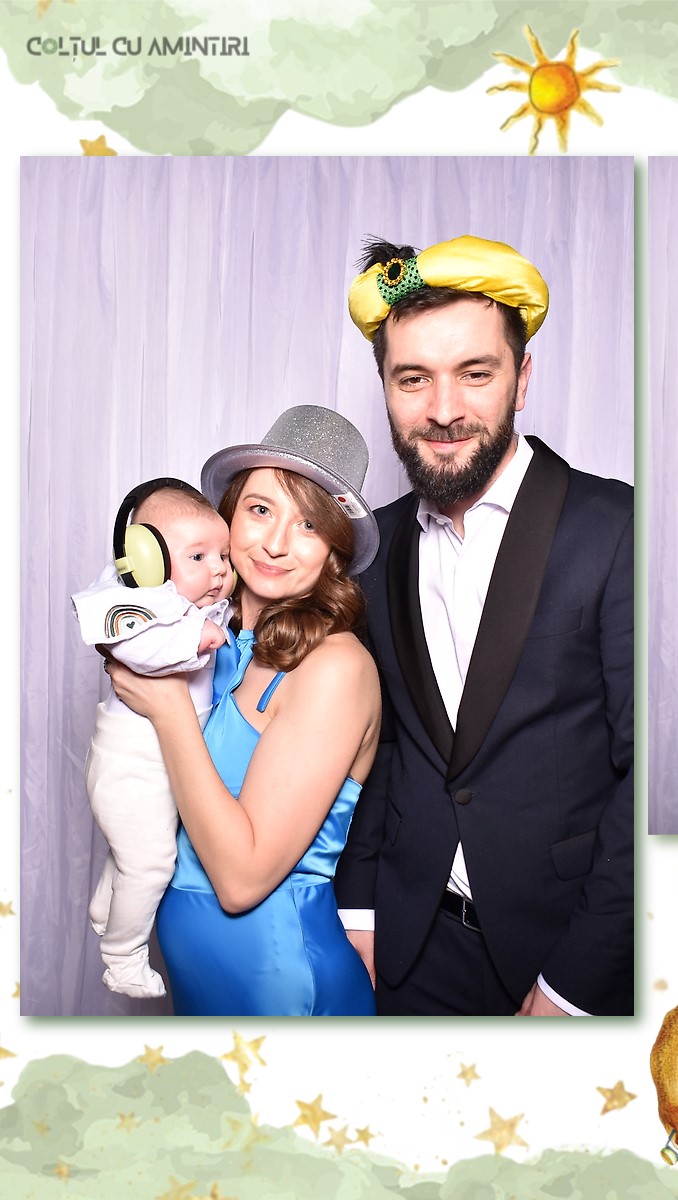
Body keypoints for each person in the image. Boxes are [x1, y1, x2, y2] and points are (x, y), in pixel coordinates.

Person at [335, 234, 634, 1016]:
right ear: (385, 387)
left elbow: (644, 777)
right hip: (406, 948)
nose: (443, 410)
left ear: (522, 379)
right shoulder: (373, 545)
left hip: (563, 953)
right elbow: (380, 744)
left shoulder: (617, 526)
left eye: (475, 373)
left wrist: (575, 984)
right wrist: (360, 908)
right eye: (413, 379)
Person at [105, 405, 383, 1016]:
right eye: (260, 510)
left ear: (333, 551)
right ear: (226, 516)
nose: (276, 543)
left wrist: (169, 710)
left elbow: (240, 880)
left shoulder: (334, 666)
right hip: (203, 983)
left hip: (284, 987)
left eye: (308, 524)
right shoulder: (213, 647)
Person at [75, 479, 233, 999]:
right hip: (131, 762)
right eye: (198, 556)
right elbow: (134, 652)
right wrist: (194, 638)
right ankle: (122, 958)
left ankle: (106, 909)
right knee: (151, 862)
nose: (218, 570)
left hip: (160, 763)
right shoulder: (139, 605)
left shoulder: (196, 600)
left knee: (139, 847)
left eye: (224, 555)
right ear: (147, 563)